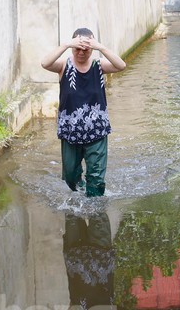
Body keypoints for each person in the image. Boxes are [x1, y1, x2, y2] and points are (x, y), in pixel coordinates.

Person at [41, 28, 126, 197]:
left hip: (96, 131)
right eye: (77, 48)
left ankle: (95, 208)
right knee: (71, 177)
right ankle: (81, 191)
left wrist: (101, 47)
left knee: (96, 178)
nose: (81, 53)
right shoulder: (64, 65)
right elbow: (45, 63)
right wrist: (66, 45)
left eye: (86, 49)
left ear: (91, 49)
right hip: (70, 132)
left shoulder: (99, 65)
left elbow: (121, 65)